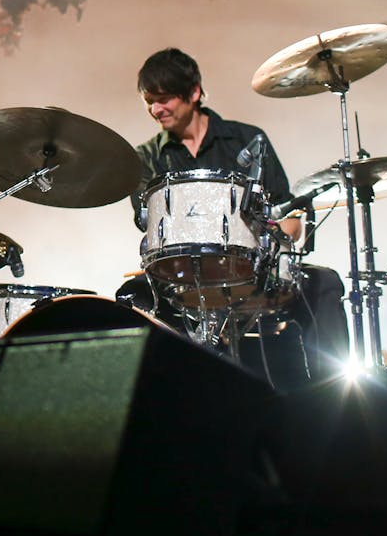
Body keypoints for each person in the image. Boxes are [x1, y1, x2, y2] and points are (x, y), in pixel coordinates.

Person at [118, 48, 349, 388]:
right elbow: (150, 230)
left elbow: (291, 219)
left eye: (164, 99)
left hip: (253, 272)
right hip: (181, 278)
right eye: (149, 101)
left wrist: (273, 241)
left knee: (324, 283)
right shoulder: (145, 159)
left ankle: (334, 399)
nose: (156, 110)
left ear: (194, 92)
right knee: (129, 298)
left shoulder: (247, 140)